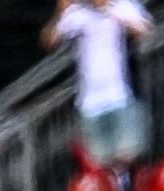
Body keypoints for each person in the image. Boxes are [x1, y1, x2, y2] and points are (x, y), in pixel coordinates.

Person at [45, 0, 154, 168]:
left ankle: (129, 190)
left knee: (130, 156)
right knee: (100, 164)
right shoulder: (78, 13)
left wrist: (112, 12)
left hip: (120, 95)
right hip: (91, 103)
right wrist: (60, 12)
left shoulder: (122, 6)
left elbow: (144, 30)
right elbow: (49, 41)